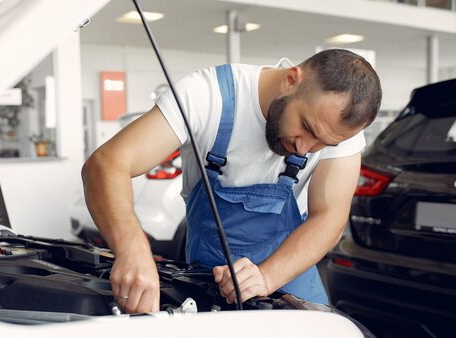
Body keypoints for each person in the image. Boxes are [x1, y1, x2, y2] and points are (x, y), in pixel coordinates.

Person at [82, 49, 382, 313]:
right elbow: (107, 164)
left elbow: (329, 216)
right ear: (291, 80)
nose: (306, 149)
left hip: (292, 281)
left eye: (323, 144)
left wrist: (266, 277)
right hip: (208, 284)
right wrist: (133, 253)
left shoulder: (337, 127)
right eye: (306, 127)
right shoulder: (206, 96)